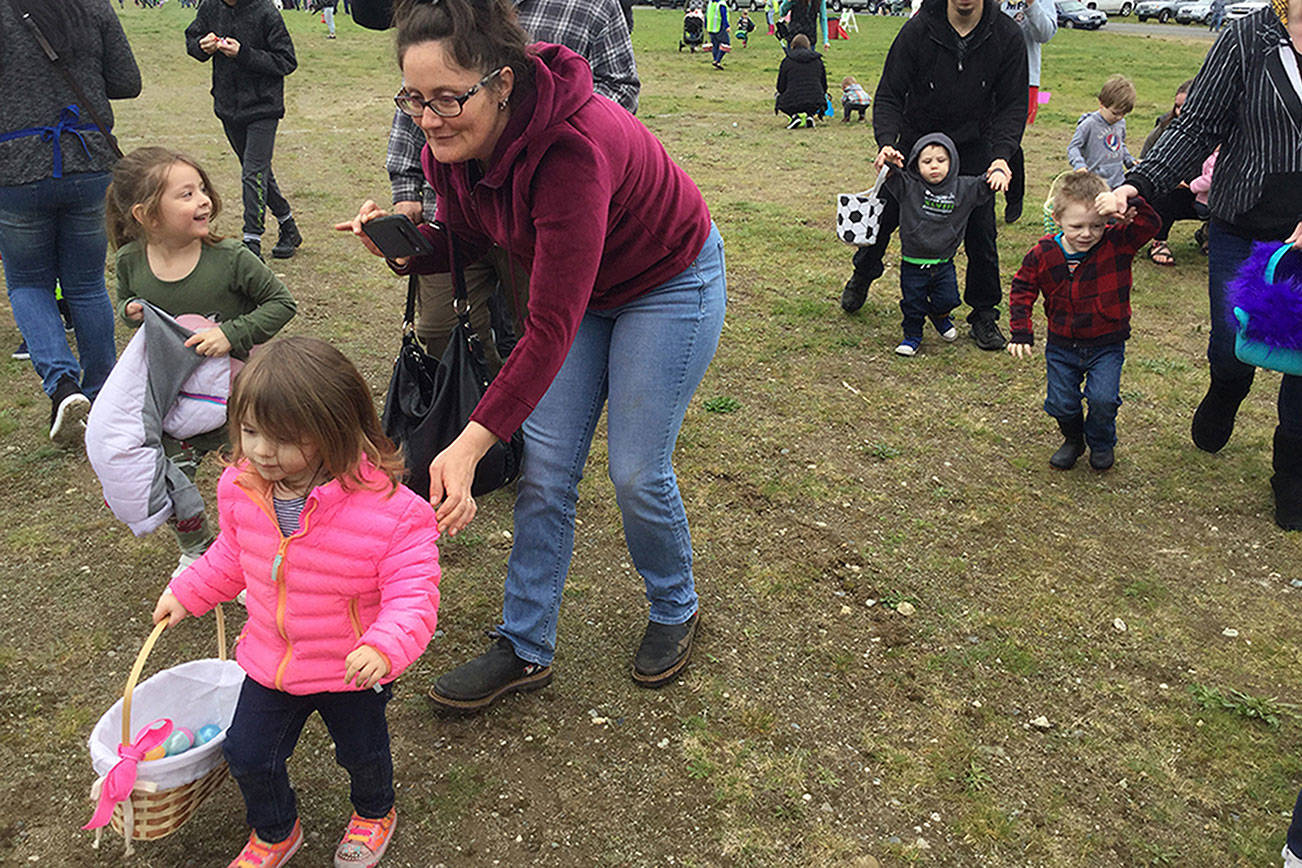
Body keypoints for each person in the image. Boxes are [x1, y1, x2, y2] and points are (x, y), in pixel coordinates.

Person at [338, 0, 727, 711]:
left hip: (667, 280)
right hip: (579, 287)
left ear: (502, 83)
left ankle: (676, 606)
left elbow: (547, 326)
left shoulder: (571, 149)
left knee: (636, 469)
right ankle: (525, 645)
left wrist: (470, 441)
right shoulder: (447, 151)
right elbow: (471, 241)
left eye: (449, 99)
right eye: (415, 100)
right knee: (548, 468)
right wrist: (406, 247)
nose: (430, 119)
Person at [153, 336, 441, 868]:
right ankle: (275, 830)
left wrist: (383, 646)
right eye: (250, 430)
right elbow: (231, 557)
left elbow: (413, 594)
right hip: (271, 658)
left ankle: (375, 811)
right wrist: (186, 592)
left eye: (285, 439)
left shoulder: (395, 514)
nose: (262, 451)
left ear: (337, 429)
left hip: (350, 664)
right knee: (248, 752)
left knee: (363, 752)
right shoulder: (243, 487)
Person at [1111, 0, 1302, 532]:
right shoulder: (1247, 37)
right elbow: (1195, 126)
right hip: (1242, 221)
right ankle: (1226, 389)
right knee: (1233, 344)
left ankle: (1291, 469)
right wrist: (1141, 182)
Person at [383, 0, 640, 361]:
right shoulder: (448, 12)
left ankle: (516, 407)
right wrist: (406, 189)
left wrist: (555, 138)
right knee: (441, 328)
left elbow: (621, 86)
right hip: (463, 196)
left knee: (534, 329)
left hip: (541, 207)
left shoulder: (592, 5)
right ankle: (484, 400)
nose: (427, 118)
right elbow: (426, 95)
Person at [105, 147, 297, 574]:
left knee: (257, 476)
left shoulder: (230, 258)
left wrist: (230, 334)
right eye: (186, 194)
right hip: (174, 396)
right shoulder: (130, 260)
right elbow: (125, 303)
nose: (204, 200)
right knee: (171, 475)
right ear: (147, 215)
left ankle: (263, 552)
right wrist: (130, 311)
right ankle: (196, 549)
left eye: (201, 189)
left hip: (239, 395)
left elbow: (281, 303)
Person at [839, 0, 1026, 354]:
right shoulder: (918, 30)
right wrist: (887, 144)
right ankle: (863, 274)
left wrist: (1001, 157)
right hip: (916, 145)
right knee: (884, 216)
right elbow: (890, 94)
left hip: (973, 149)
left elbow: (1012, 105)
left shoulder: (1007, 35)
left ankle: (984, 313)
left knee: (982, 233)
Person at [0, 0, 140, 444]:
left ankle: (62, 384)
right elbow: (126, 81)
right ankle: (102, 392)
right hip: (88, 161)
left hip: (16, 168)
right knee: (86, 284)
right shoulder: (93, 7)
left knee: (28, 283)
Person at [1008, 171, 1159, 471]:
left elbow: (1150, 225)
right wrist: (1021, 332)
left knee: (1103, 400)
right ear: (1057, 218)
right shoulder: (1043, 253)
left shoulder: (1117, 243)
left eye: (1097, 226)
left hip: (1107, 342)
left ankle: (1101, 442)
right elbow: (1022, 289)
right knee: (1061, 401)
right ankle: (1073, 440)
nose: (1087, 234)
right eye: (1077, 226)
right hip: (1062, 344)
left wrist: (1129, 201)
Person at [184, 0, 302, 262]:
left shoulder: (266, 12)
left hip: (263, 108)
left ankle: (252, 241)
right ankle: (288, 226)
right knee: (258, 173)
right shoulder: (210, 7)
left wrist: (243, 53)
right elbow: (192, 39)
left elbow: (286, 60)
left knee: (253, 173)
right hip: (228, 107)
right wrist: (201, 46)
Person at [884, 133, 1001, 356]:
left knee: (948, 299)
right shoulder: (909, 187)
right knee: (913, 304)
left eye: (941, 160)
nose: (934, 166)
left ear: (953, 162)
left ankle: (940, 316)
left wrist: (998, 173)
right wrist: (890, 161)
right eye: (927, 162)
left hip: (944, 263)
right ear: (916, 165)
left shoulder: (962, 189)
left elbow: (985, 184)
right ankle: (912, 337)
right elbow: (889, 174)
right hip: (912, 263)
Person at [1000, 0, 1056, 223]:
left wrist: (1031, 4)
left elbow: (1044, 33)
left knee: (1010, 140)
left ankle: (1014, 196)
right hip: (989, 73)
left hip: (1024, 79)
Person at [1139, 78, 1198, 266]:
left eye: (1186, 107)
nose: (1180, 112)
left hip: (1205, 192)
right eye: (1177, 106)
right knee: (1163, 191)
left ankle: (1209, 234)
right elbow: (1144, 162)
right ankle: (1159, 241)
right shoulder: (1164, 128)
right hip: (1175, 191)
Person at [1066, 74, 1137, 189]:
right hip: (1095, 184)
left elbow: (1120, 145)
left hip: (1118, 182)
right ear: (1101, 104)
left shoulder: (1121, 123)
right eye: (1115, 113)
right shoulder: (1089, 124)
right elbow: (1073, 147)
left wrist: (1129, 161)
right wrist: (1079, 165)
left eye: (1123, 114)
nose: (1119, 117)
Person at [775, 33, 826, 128]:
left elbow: (780, 86)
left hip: (792, 100)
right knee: (814, 96)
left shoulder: (787, 61)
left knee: (779, 98)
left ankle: (794, 116)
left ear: (792, 46)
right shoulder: (817, 60)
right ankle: (810, 115)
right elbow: (823, 83)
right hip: (815, 99)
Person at [706, 0, 730, 69]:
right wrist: (727, 26)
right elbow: (724, 16)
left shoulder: (710, 3)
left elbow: (707, 15)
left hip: (710, 27)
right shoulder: (721, 4)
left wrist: (706, 26)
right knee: (726, 44)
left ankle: (715, 61)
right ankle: (717, 60)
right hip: (719, 27)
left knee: (715, 45)